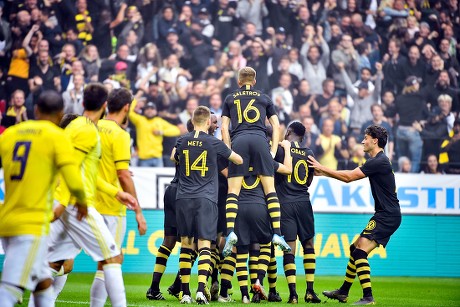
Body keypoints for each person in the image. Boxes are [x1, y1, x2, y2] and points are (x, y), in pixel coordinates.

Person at [46, 83, 137, 307]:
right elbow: (70, 168)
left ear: (83, 103)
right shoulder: (86, 130)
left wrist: (116, 192)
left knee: (54, 263)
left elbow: (88, 173)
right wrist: (66, 201)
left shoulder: (76, 127)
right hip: (76, 203)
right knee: (112, 258)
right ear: (104, 105)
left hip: (64, 199)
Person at [0, 90, 87, 307]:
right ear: (60, 115)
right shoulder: (57, 137)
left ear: (35, 110)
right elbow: (73, 179)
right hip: (32, 223)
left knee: (42, 284)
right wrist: (82, 201)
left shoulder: (10, 134)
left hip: (7, 219)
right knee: (10, 289)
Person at [308, 125, 401, 305]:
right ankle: (343, 292)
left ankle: (368, 297)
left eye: (366, 138)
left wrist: (323, 168)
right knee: (355, 249)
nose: (362, 141)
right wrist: (325, 172)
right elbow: (349, 175)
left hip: (387, 215)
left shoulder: (379, 161)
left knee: (359, 252)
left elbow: (349, 177)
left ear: (375, 140)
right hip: (386, 214)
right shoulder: (379, 161)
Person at [172, 106, 243, 304]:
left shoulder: (182, 140)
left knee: (186, 246)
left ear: (193, 120)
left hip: (183, 197)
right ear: (206, 122)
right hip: (206, 198)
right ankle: (201, 290)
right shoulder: (213, 142)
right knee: (205, 245)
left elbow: (173, 157)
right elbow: (237, 159)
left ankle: (185, 294)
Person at [221, 66, 290, 257]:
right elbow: (276, 125)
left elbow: (224, 128)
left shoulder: (230, 98)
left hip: (239, 141)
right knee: (270, 190)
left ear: (239, 81)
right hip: (260, 141)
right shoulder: (264, 98)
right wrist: (273, 151)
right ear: (255, 81)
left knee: (233, 191)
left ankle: (230, 233)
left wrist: (229, 151)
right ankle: (277, 233)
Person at [90, 88, 147, 307]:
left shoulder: (91, 127)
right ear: (126, 108)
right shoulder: (120, 134)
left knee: (63, 260)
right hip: (110, 206)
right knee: (112, 261)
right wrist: (138, 211)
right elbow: (123, 174)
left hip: (85, 201)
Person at [274, 121, 321, 304]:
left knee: (289, 249)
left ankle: (293, 294)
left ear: (288, 132)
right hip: (303, 202)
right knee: (308, 245)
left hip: (284, 204)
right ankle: (310, 291)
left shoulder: (280, 150)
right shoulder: (309, 153)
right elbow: (309, 180)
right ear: (302, 137)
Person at [129, 100, 181, 167]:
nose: (150, 110)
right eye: (147, 109)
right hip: (143, 158)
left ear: (156, 111)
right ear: (144, 111)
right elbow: (129, 112)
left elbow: (176, 130)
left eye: (152, 109)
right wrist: (136, 100)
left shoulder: (159, 121)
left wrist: (161, 132)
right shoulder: (140, 120)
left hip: (157, 157)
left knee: (159, 177)